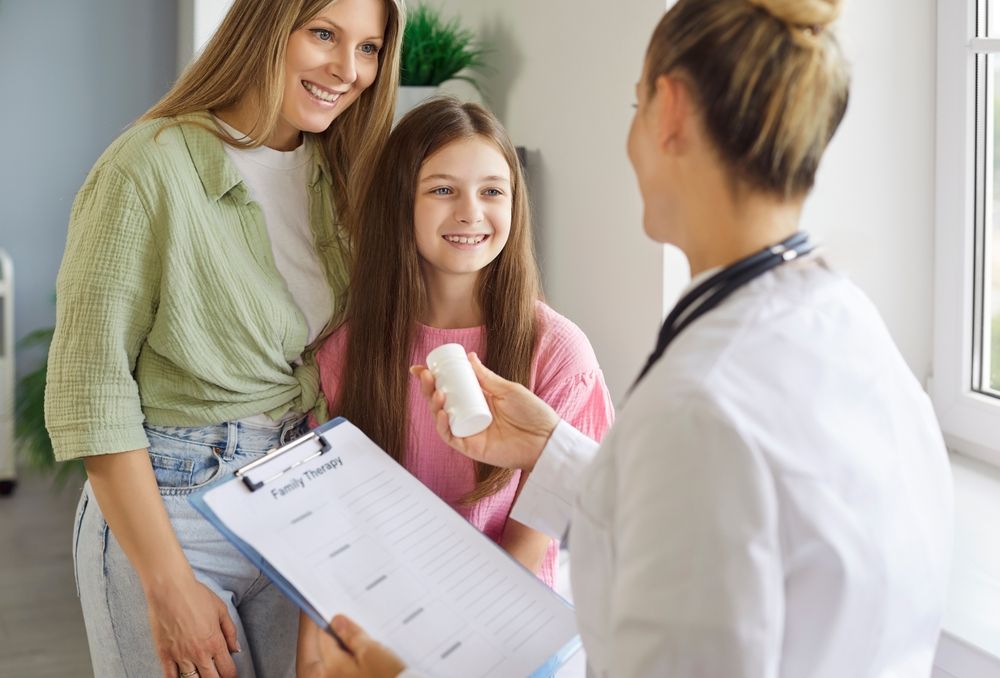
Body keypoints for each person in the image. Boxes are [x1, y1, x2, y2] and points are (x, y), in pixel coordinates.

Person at [296, 0, 954, 676]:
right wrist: (549, 449)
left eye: (634, 105)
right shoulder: (853, 335)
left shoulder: (700, 403)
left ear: (668, 111)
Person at [44, 0, 403, 676]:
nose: (346, 69)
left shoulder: (342, 174)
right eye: (324, 34)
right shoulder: (147, 166)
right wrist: (168, 584)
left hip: (292, 502)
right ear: (268, 25)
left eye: (369, 48)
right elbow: (90, 391)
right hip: (172, 509)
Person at [314, 97, 615, 587]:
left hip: (505, 636)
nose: (471, 212)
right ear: (400, 203)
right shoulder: (344, 352)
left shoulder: (558, 353)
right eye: (443, 189)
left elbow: (530, 544)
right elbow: (332, 527)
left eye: (492, 191)